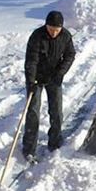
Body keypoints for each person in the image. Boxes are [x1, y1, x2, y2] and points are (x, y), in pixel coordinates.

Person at [23, 11, 76, 161]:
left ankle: (55, 142)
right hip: (37, 78)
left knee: (57, 110)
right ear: (46, 25)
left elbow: (70, 55)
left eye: (56, 30)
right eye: (50, 28)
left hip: (54, 77)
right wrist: (31, 81)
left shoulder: (65, 36)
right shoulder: (37, 36)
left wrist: (60, 73)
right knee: (33, 111)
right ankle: (29, 148)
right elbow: (31, 61)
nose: (53, 32)